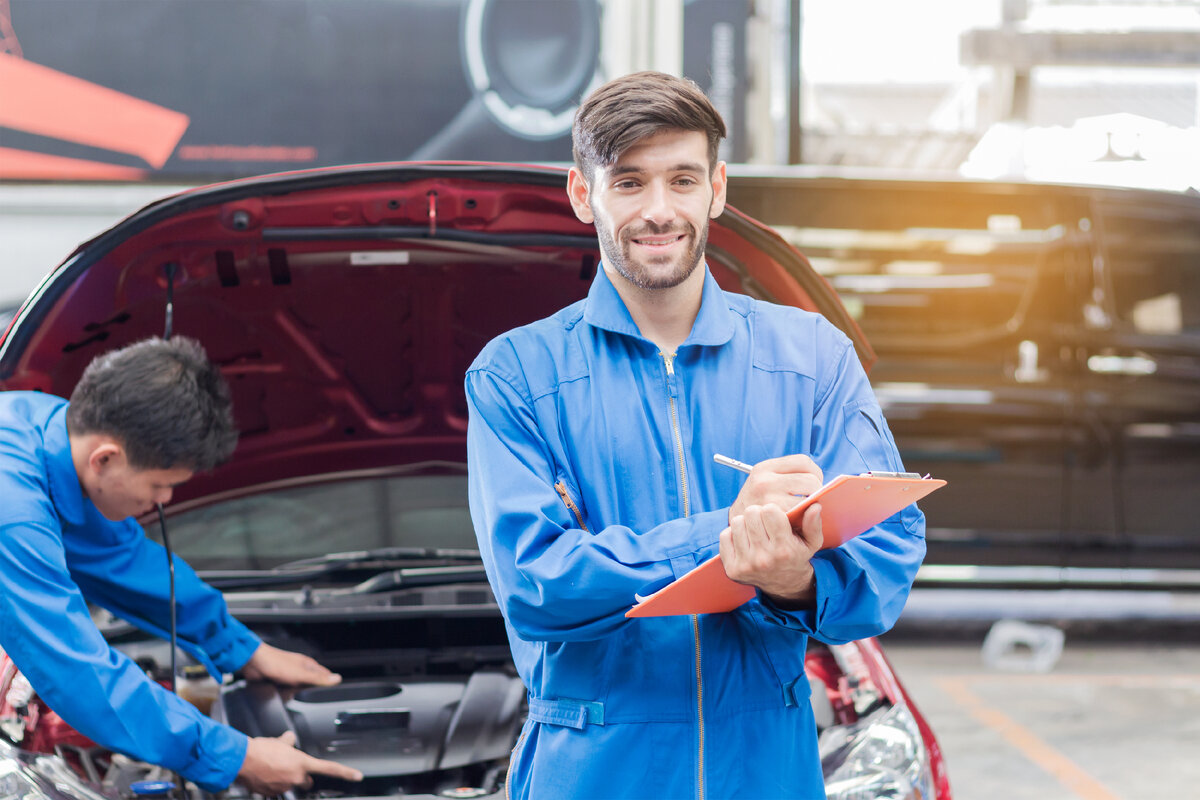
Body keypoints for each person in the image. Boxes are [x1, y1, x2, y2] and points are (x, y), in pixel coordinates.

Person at [465, 71, 927, 799]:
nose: (659, 211)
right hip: (594, 772)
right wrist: (726, 535)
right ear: (583, 194)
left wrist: (795, 581)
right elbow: (535, 585)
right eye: (628, 182)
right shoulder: (517, 375)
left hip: (768, 770)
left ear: (716, 189)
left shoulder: (814, 358)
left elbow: (887, 555)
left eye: (682, 180)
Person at [0, 336, 362, 794]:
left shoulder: (54, 429)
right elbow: (73, 668)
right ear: (105, 458)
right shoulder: (13, 511)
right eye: (159, 485)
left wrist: (241, 648)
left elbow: (121, 559)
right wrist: (232, 755)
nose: (165, 499)